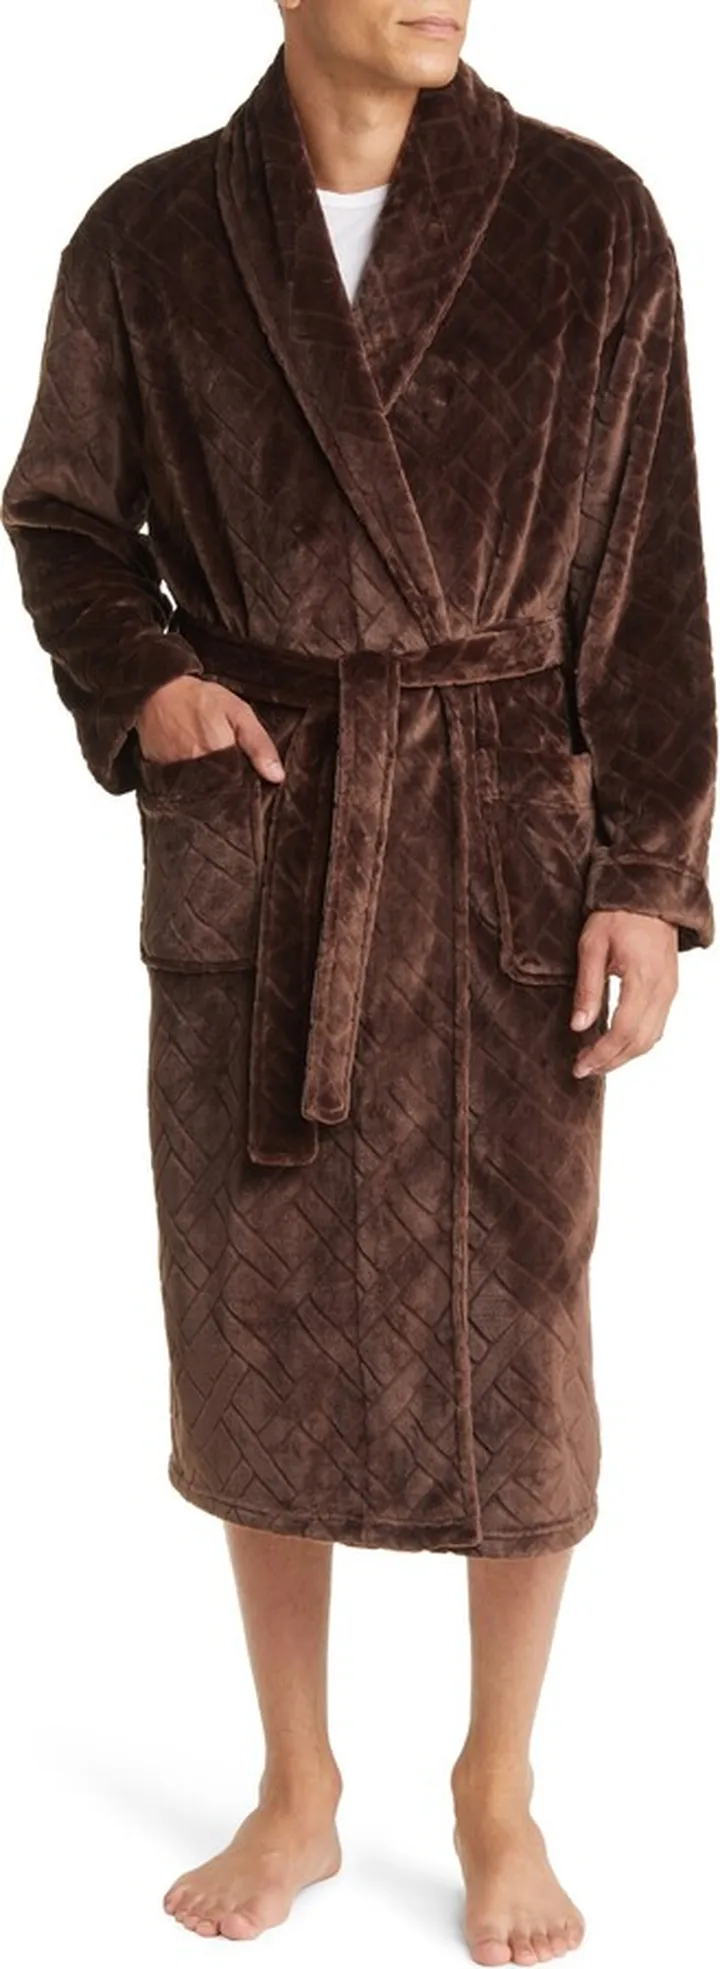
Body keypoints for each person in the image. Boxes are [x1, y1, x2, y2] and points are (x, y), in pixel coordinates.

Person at [2, 2, 716, 1962]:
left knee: (521, 1334)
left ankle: (498, 1783)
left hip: (502, 846)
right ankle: (298, 1783)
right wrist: (148, 683)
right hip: (274, 835)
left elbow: (650, 580)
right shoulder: (152, 234)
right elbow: (62, 516)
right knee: (260, 1318)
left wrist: (648, 879)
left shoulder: (587, 221)